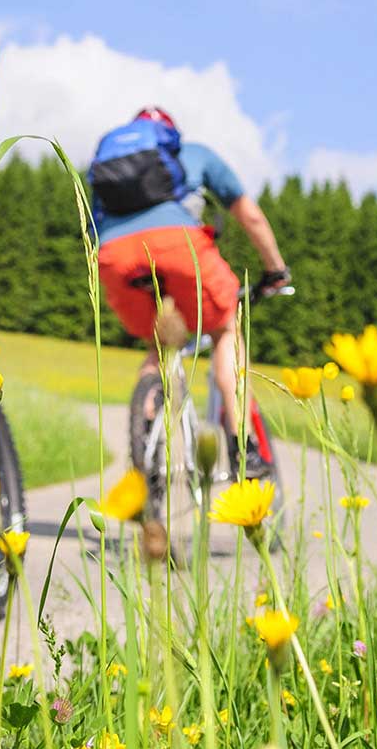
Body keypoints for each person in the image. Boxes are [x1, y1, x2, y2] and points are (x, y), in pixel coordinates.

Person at [90, 107, 291, 479]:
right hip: (178, 248)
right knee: (226, 329)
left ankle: (145, 447)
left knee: (158, 347)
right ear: (170, 137)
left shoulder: (111, 166)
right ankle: (242, 448)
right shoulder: (193, 154)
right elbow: (251, 216)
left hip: (115, 257)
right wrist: (275, 269)